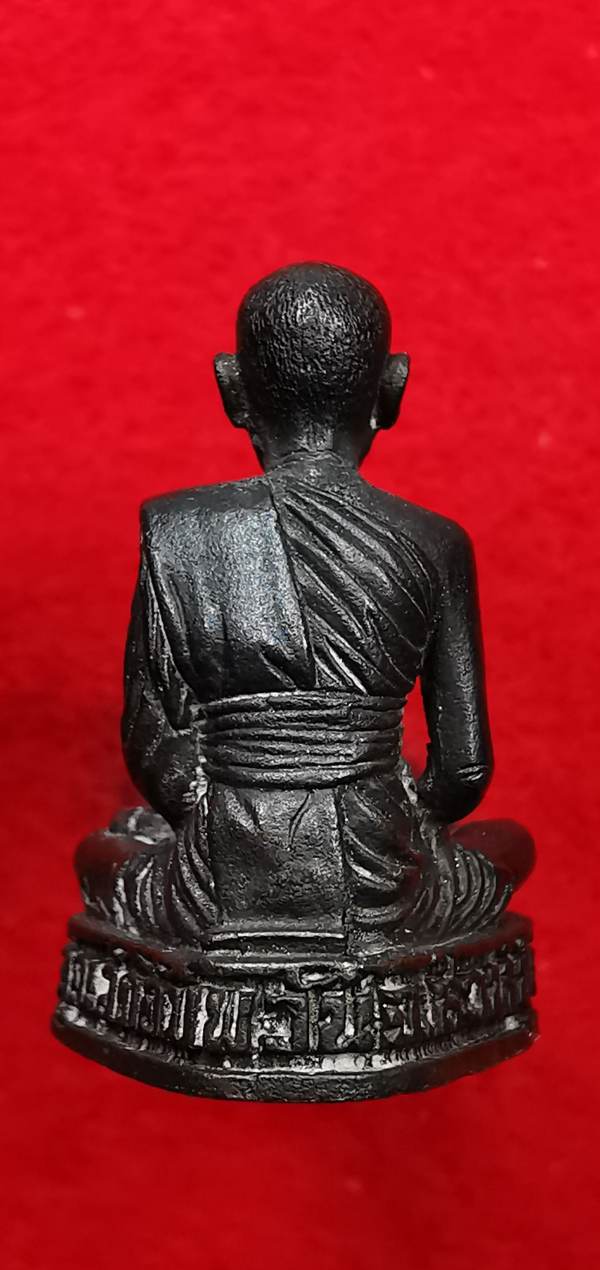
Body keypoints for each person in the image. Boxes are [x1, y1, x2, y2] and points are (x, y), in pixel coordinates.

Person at [78, 262, 533, 954]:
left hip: (218, 873)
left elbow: (150, 739)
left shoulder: (179, 529)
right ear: (393, 388)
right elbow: (463, 770)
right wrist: (401, 819)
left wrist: (216, 819)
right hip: (383, 879)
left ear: (231, 389)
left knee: (102, 851)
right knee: (509, 844)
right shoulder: (437, 542)